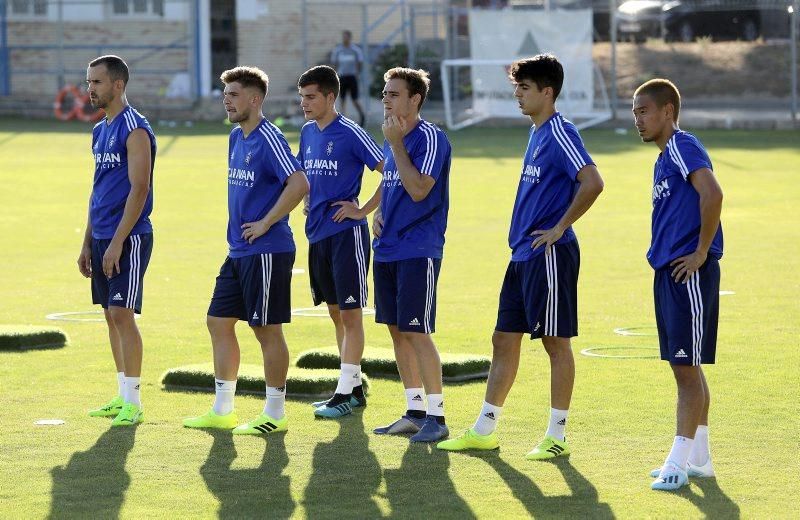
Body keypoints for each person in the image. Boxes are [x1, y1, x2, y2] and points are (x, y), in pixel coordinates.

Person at [437, 54, 604, 459]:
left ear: (548, 92)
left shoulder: (561, 131)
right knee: (503, 338)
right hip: (522, 255)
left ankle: (557, 436)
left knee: (554, 342)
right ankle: (485, 429)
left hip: (548, 254)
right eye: (517, 87)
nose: (517, 94)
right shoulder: (537, 133)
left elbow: (593, 181)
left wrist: (561, 226)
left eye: (525, 88)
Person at [183, 66, 309, 434]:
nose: (227, 100)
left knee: (266, 330)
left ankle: (275, 413)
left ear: (255, 99)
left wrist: (267, 221)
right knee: (218, 322)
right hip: (238, 250)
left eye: (234, 94)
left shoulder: (269, 138)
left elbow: (299, 183)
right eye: (225, 94)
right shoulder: (236, 137)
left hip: (267, 249)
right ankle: (223, 409)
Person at [632, 79, 723, 491]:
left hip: (689, 272)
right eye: (635, 112)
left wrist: (702, 251)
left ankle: (677, 461)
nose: (638, 119)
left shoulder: (684, 145)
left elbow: (713, 194)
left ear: (668, 111)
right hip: (668, 272)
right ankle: (698, 458)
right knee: (685, 366)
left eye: (644, 111)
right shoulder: (663, 158)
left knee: (686, 368)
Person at [296, 65, 385, 419]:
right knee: (336, 314)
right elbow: (303, 173)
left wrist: (363, 210)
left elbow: (389, 169)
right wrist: (306, 199)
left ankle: (345, 393)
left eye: (311, 97)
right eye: (302, 97)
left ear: (330, 97)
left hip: (346, 236)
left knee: (350, 315)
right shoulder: (306, 132)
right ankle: (353, 388)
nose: (304, 103)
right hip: (317, 235)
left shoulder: (350, 132)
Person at [371, 67, 452, 443]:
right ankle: (415, 410)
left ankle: (437, 417)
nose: (386, 99)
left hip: (418, 250)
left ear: (415, 99)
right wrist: (378, 210)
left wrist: (398, 144)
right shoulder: (393, 139)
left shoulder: (430, 138)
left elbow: (419, 189)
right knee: (397, 331)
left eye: (393, 93)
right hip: (387, 250)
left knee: (416, 330)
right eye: (384, 93)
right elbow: (394, 185)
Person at [79, 55, 156, 427]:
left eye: (96, 82)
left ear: (118, 85)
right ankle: (122, 395)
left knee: (122, 314)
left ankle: (135, 402)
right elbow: (97, 192)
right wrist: (86, 242)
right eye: (88, 82)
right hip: (103, 236)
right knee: (110, 316)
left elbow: (139, 190)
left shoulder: (135, 129)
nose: (90, 88)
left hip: (130, 237)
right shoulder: (100, 130)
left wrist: (117, 242)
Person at [330, 30, 365, 127]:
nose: (345, 38)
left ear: (350, 38)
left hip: (352, 77)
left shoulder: (355, 50)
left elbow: (360, 62)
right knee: (342, 99)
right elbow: (334, 63)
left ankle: (362, 116)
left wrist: (357, 73)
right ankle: (342, 120)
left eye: (346, 37)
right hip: (342, 77)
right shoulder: (338, 50)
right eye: (343, 37)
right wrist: (334, 75)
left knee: (355, 99)